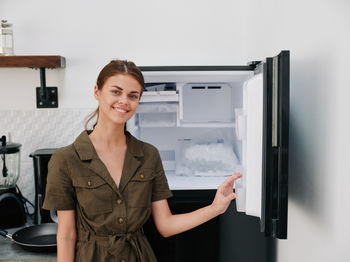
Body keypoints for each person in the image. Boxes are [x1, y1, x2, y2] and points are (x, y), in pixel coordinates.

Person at [42, 60, 242, 262]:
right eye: (116, 92)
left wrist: (215, 208)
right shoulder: (66, 159)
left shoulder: (148, 155)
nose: (124, 101)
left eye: (133, 96)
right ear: (97, 92)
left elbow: (165, 225)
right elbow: (66, 235)